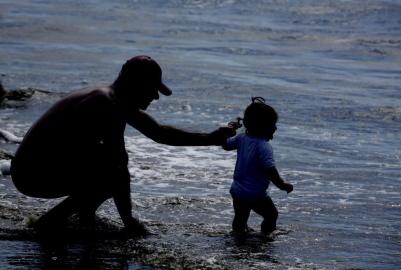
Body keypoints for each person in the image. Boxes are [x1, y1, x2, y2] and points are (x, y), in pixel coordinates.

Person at [10, 55, 235, 235]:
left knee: (107, 166)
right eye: (152, 89)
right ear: (135, 85)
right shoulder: (104, 103)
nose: (155, 97)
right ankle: (51, 223)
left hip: (43, 167)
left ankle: (82, 217)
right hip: (32, 174)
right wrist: (128, 221)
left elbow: (159, 133)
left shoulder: (114, 100)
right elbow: (117, 162)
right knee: (111, 169)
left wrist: (211, 138)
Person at [223, 97, 293, 236]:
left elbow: (225, 145)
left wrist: (226, 132)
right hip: (254, 194)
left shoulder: (241, 138)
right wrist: (282, 184)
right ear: (264, 127)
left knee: (240, 217)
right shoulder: (263, 146)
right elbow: (270, 169)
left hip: (237, 190)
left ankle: (238, 237)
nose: (275, 127)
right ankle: (266, 236)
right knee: (271, 215)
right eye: (273, 124)